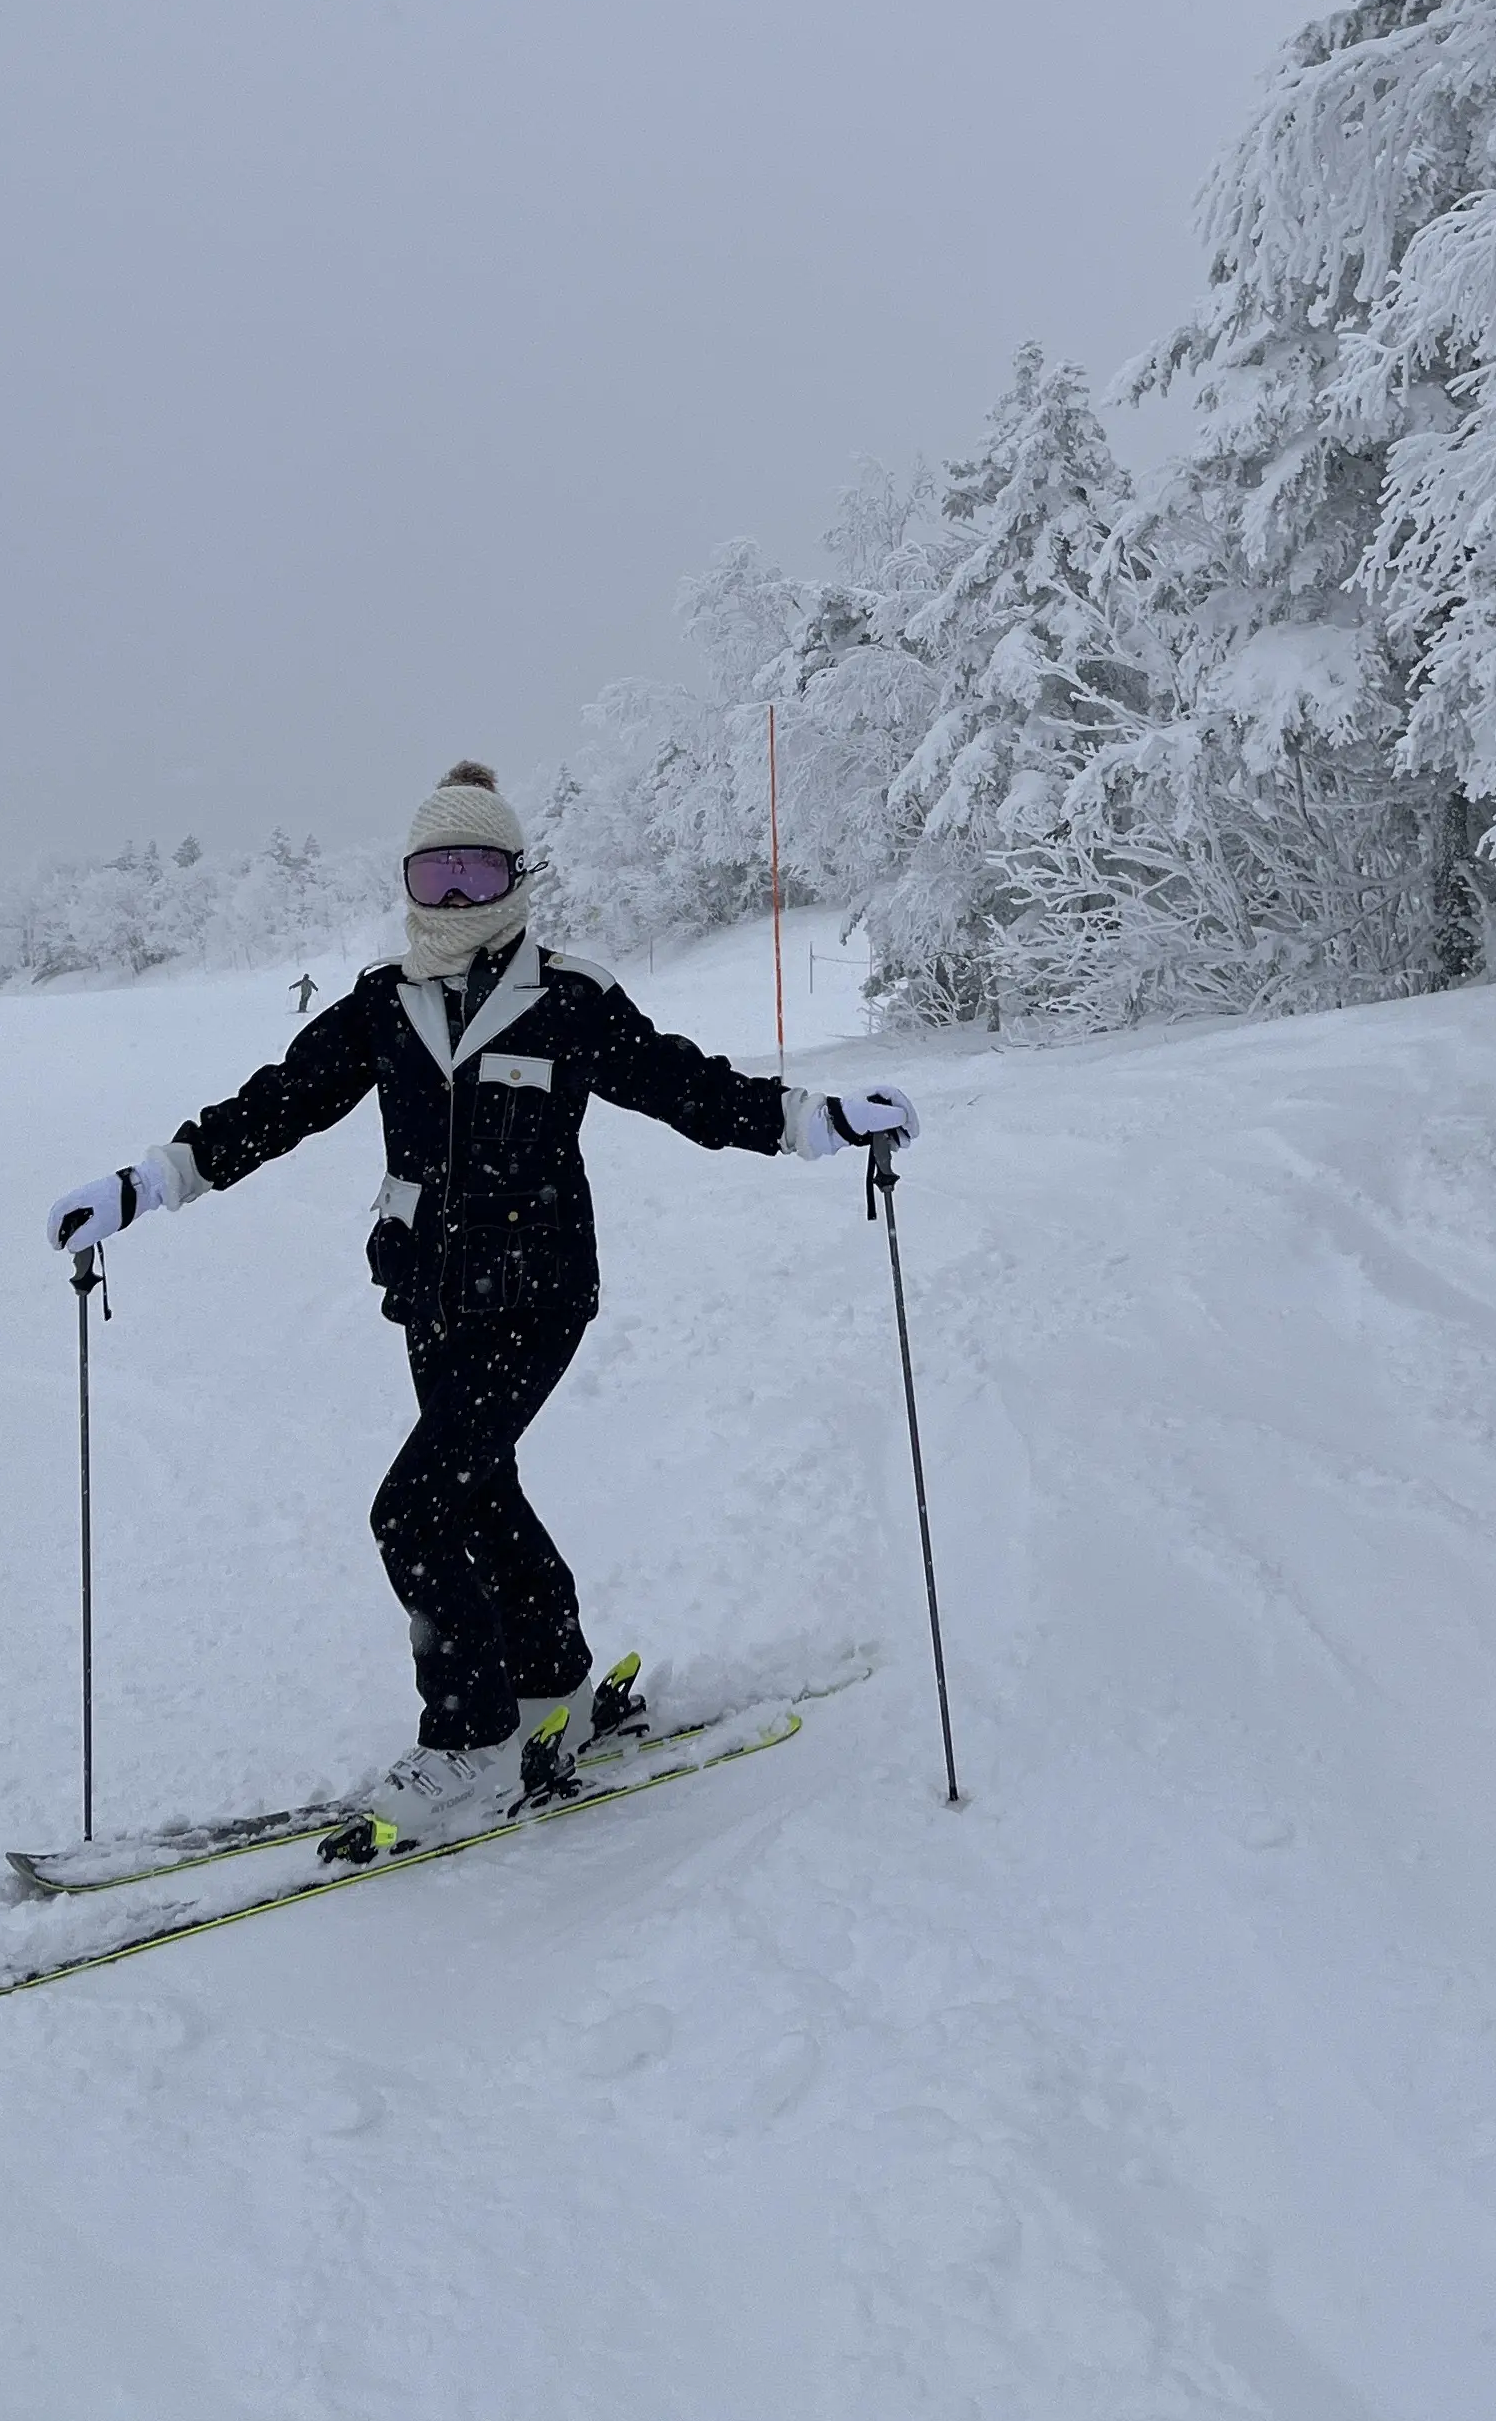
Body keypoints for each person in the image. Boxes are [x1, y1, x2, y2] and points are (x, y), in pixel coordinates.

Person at [48, 760, 917, 1821]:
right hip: (431, 1301)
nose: (456, 898)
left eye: (477, 871)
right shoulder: (382, 1005)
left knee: (413, 1510)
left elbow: (682, 1084)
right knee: (481, 1491)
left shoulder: (567, 999)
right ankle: (557, 1684)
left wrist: (815, 1120)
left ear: (516, 876)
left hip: (538, 1297)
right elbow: (275, 1107)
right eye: (435, 874)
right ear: (409, 883)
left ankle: (471, 1742)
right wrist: (147, 1184)